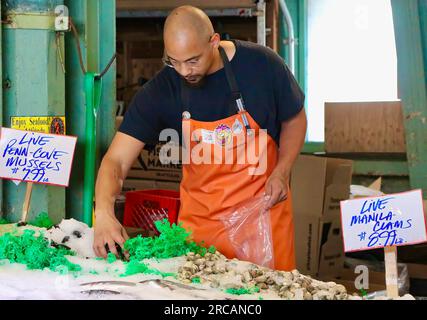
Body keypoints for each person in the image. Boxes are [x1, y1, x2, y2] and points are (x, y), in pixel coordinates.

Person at [93, 5, 307, 271]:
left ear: (214, 42)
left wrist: (282, 171)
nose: (184, 71)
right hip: (201, 230)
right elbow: (116, 160)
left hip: (262, 225)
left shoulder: (262, 66)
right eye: (174, 61)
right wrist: (102, 212)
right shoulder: (161, 90)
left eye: (193, 60)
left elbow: (295, 120)